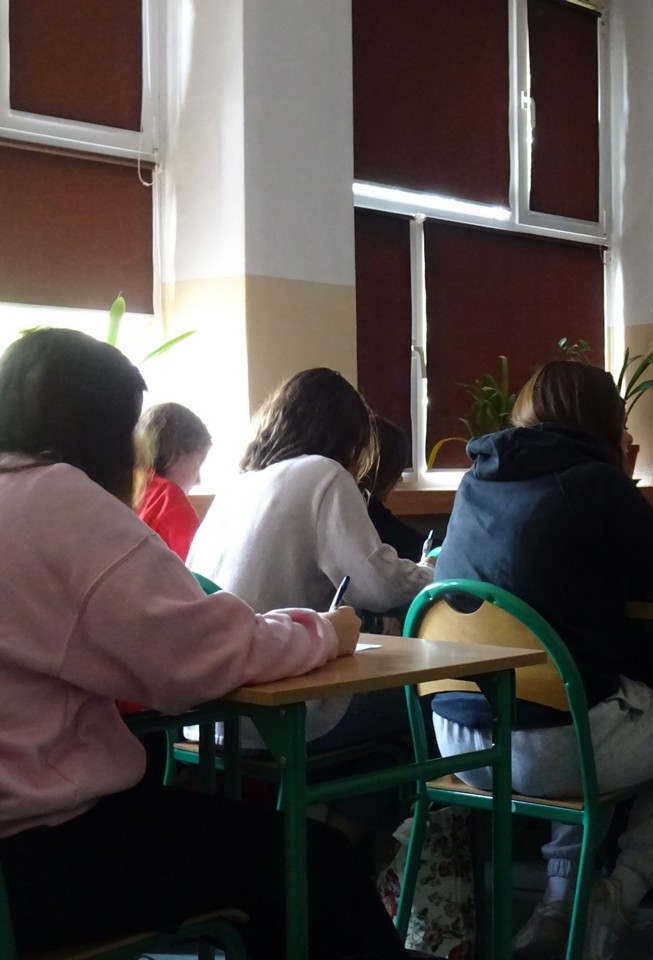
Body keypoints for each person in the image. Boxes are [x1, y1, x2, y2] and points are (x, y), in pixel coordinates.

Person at [0, 328, 410, 959]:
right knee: (314, 863)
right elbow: (204, 656)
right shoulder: (57, 501)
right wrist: (327, 630)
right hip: (45, 855)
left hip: (25, 852)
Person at [431, 360, 653, 960]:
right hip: (549, 746)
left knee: (585, 712)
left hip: (459, 740)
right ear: (609, 420)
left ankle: (558, 906)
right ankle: (617, 895)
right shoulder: (595, 485)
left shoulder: (476, 481)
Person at [186, 369, 434, 829]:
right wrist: (432, 572)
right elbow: (377, 584)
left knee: (382, 746)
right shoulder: (324, 473)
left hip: (209, 712)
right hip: (279, 709)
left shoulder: (238, 485)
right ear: (349, 435)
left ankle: (322, 834)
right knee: (432, 707)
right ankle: (337, 843)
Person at [135, 401, 212, 560]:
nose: (198, 480)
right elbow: (198, 565)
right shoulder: (169, 500)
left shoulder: (130, 487)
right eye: (199, 464)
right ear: (176, 454)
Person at [362, 415, 426, 561]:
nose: (401, 479)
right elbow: (413, 545)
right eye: (398, 471)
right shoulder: (371, 513)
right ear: (384, 470)